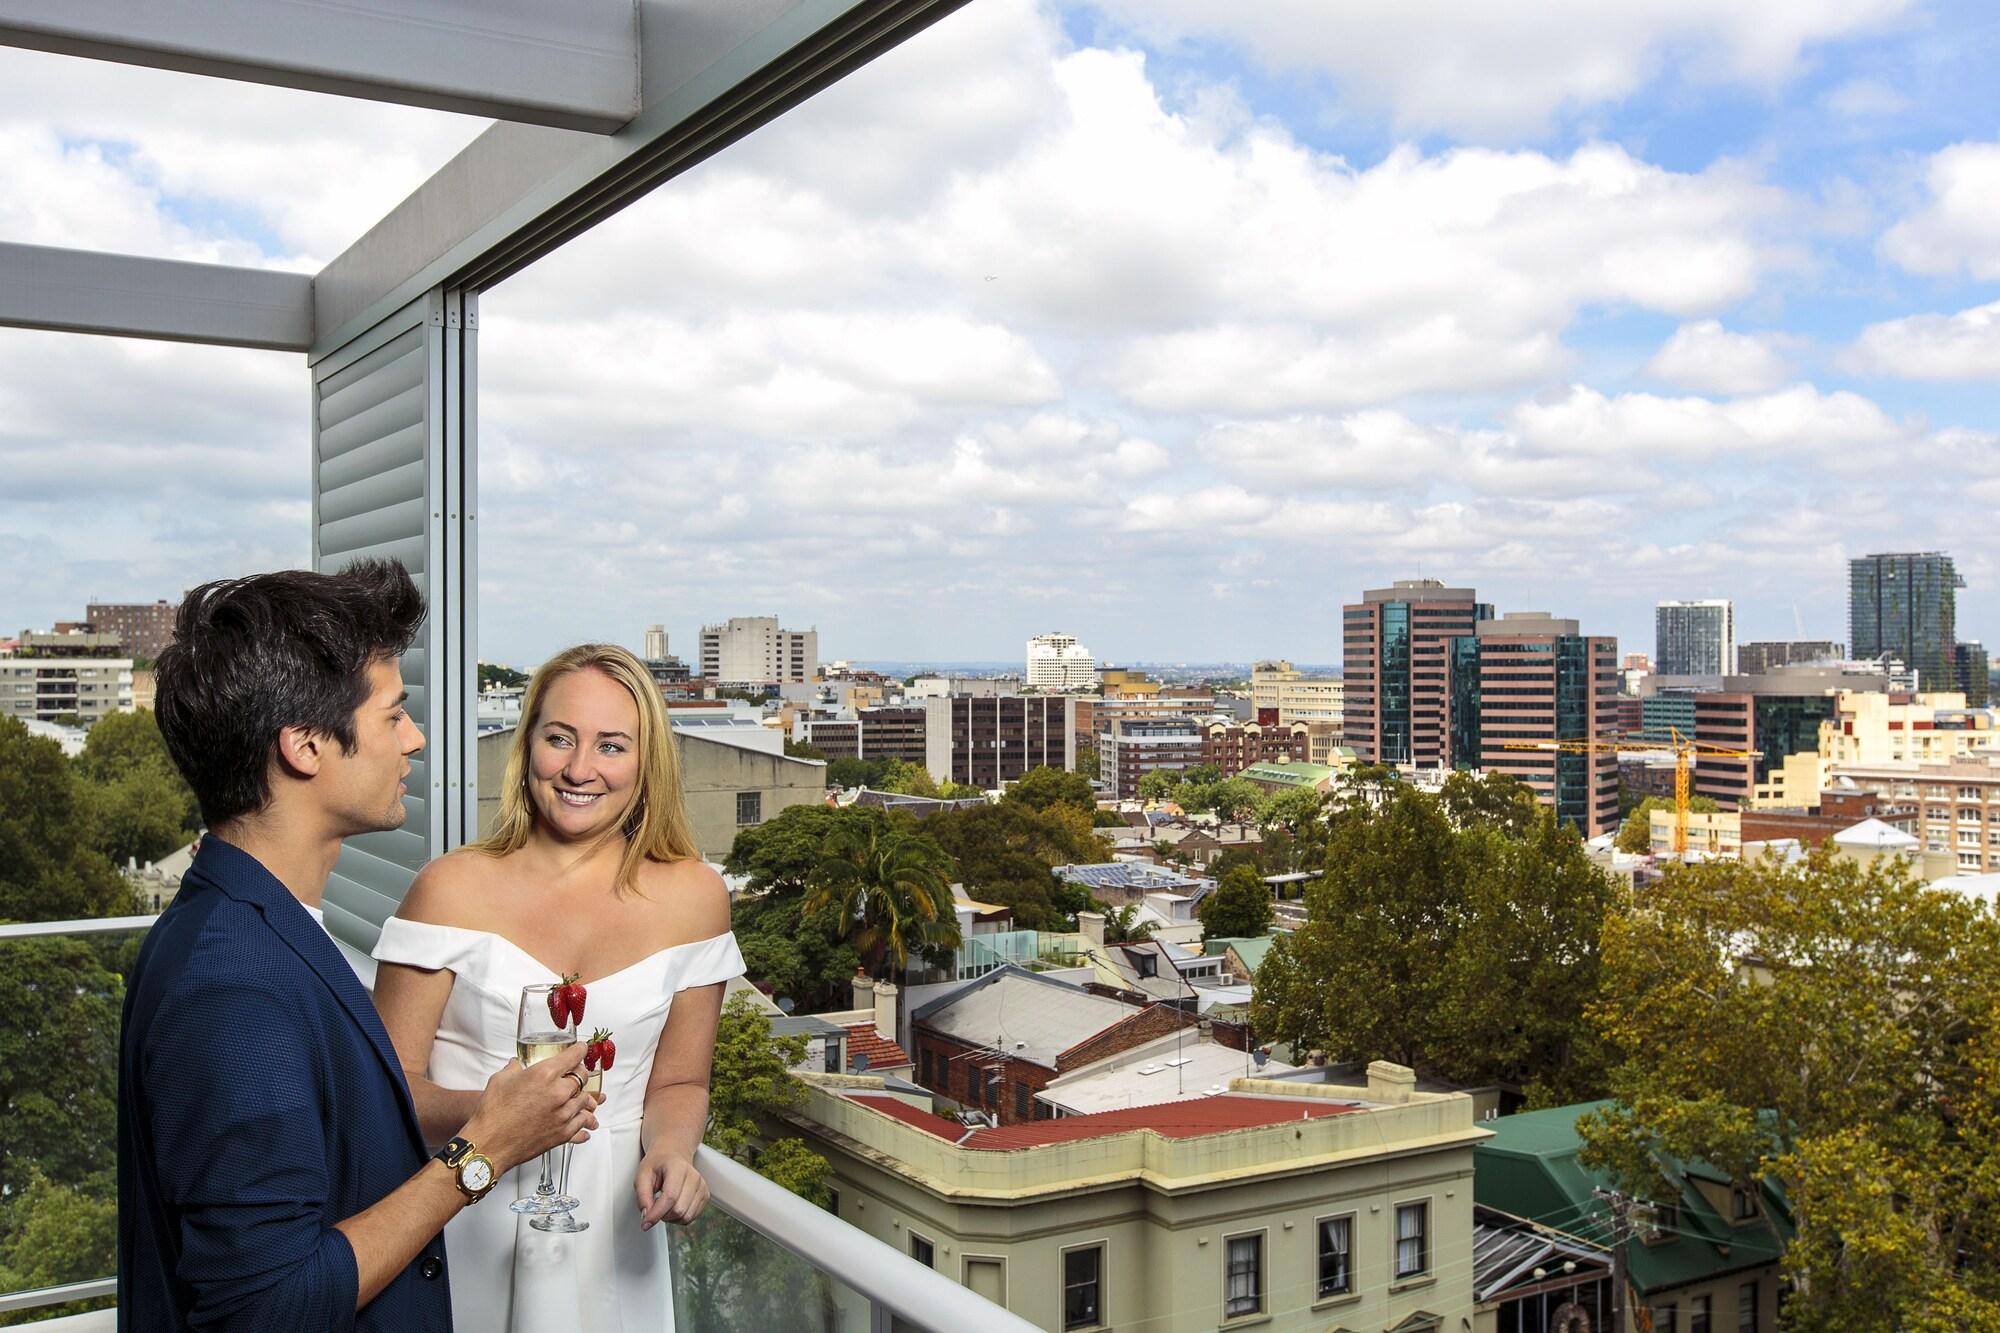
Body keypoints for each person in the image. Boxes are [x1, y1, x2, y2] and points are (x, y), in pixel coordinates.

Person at [120, 559, 598, 1332]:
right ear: (305, 746)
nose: (414, 739)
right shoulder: (232, 987)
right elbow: (267, 1308)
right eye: (392, 715)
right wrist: (483, 1150)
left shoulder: (254, 927)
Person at [372, 643, 741, 1332]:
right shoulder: (449, 888)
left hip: (612, 1235)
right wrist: (500, 1114)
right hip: (461, 1219)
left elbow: (681, 1081)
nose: (579, 769)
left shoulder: (697, 897)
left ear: (648, 761)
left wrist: (670, 1151)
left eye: (611, 745)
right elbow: (382, 1091)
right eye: (560, 738)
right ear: (528, 744)